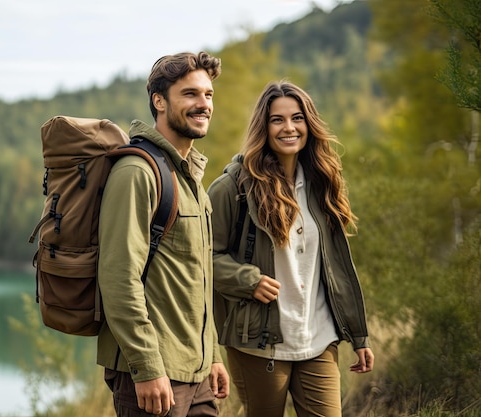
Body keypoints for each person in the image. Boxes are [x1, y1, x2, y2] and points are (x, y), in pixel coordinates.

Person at [207, 80, 374, 417]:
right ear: (263, 126)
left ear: (308, 124)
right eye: (277, 119)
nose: (289, 128)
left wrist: (359, 335)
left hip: (319, 338)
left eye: (297, 118)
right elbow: (203, 259)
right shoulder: (231, 188)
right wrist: (246, 279)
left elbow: (337, 268)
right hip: (259, 342)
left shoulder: (321, 183)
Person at [97, 51, 230, 417]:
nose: (203, 104)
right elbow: (118, 278)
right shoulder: (137, 172)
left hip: (197, 374)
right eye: (190, 94)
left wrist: (213, 356)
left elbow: (196, 281)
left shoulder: (190, 178)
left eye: (208, 95)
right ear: (159, 101)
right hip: (155, 377)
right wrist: (147, 366)